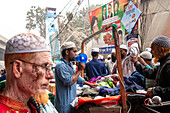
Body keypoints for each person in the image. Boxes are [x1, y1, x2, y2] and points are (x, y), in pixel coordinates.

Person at [0, 33, 56, 112]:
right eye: (44, 66)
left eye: (50, 67)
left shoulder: (37, 104)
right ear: (17, 68)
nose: (51, 75)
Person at [54, 41, 98, 113]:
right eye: (74, 51)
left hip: (71, 101)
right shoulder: (61, 66)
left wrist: (89, 84)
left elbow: (77, 78)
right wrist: (80, 70)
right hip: (64, 104)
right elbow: (70, 81)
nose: (76, 54)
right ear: (67, 52)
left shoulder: (70, 64)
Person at [132, 36, 170, 101]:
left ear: (161, 50)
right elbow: (150, 73)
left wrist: (155, 91)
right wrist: (136, 63)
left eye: (153, 50)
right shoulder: (163, 63)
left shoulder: (168, 65)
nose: (152, 53)